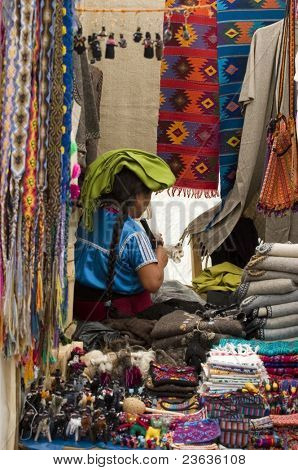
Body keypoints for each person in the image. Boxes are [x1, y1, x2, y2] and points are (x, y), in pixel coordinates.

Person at [74, 149, 175, 321]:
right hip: (118, 316)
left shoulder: (89, 217)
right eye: (148, 195)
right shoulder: (134, 234)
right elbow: (153, 283)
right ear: (136, 196)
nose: (148, 202)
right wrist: (160, 258)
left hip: (81, 308)